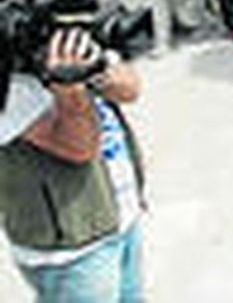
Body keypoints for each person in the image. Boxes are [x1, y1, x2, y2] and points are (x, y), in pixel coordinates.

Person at [1, 29, 147, 301]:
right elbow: (79, 147)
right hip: (71, 252)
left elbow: (130, 89)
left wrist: (97, 66)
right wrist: (69, 87)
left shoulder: (57, 26)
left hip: (122, 214)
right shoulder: (11, 79)